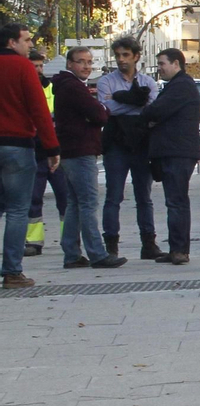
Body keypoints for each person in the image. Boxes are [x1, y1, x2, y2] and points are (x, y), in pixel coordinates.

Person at [51, 47, 124, 270]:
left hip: (71, 150)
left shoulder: (67, 86)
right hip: (80, 150)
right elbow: (99, 114)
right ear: (70, 64)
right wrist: (102, 107)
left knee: (74, 203)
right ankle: (97, 254)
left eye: (89, 62)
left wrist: (99, 108)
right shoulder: (73, 87)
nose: (86, 66)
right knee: (88, 202)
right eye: (81, 62)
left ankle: (72, 253)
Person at [0, 23, 60, 288]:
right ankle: (12, 272)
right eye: (26, 41)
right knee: (17, 210)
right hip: (17, 144)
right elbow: (38, 109)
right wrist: (51, 147)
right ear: (11, 43)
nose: (30, 46)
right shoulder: (22, 67)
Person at [97, 36, 160, 259]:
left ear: (136, 56)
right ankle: (111, 244)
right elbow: (108, 109)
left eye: (126, 55)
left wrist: (121, 100)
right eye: (118, 55)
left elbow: (151, 108)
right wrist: (134, 101)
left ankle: (149, 242)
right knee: (113, 196)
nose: (121, 60)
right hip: (116, 142)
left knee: (144, 195)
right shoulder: (106, 81)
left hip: (141, 143)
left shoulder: (148, 82)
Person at [141, 49, 200, 264]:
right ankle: (176, 248)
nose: (159, 68)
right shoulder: (176, 86)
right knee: (174, 201)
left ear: (176, 63)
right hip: (174, 151)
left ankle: (179, 250)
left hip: (178, 152)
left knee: (176, 202)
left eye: (161, 63)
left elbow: (154, 111)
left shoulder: (181, 86)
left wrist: (150, 116)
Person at [24, 48, 66, 257]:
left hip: (54, 152)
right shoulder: (22, 89)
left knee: (65, 197)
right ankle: (33, 241)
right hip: (33, 153)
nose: (39, 70)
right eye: (34, 66)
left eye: (41, 66)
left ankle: (69, 238)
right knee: (33, 199)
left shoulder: (52, 89)